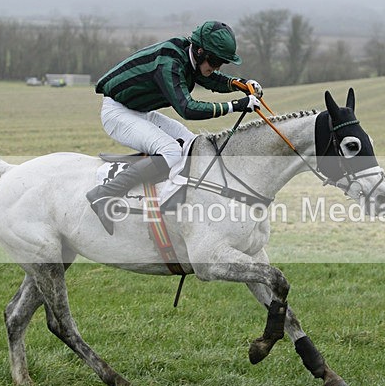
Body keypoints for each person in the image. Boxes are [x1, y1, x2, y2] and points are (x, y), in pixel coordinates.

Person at [87, 21, 263, 233]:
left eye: (222, 63)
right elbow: (187, 109)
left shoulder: (188, 55)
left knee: (192, 144)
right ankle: (105, 194)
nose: (217, 67)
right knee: (171, 150)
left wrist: (241, 84)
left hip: (140, 112)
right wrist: (235, 106)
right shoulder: (170, 63)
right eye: (215, 61)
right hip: (117, 114)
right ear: (199, 51)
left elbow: (209, 78)